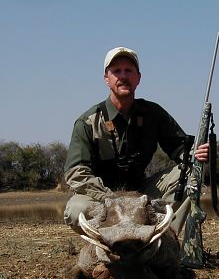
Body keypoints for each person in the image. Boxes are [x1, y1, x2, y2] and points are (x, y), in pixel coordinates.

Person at [64, 46, 209, 234]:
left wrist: (197, 154)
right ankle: (108, 244)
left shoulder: (153, 113)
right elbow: (76, 172)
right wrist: (110, 198)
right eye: (116, 71)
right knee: (75, 211)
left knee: (192, 173)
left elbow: (180, 149)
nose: (123, 76)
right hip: (103, 198)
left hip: (142, 194)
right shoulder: (88, 122)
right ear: (106, 78)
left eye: (129, 71)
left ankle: (163, 241)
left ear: (138, 78)